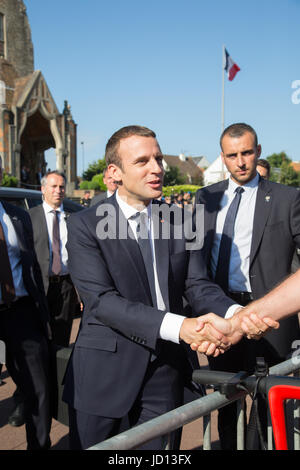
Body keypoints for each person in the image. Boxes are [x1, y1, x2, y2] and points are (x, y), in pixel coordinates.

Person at [62, 125, 241, 450]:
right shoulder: (83, 225)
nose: (157, 168)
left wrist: (236, 314)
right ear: (115, 172)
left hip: (166, 370)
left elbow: (197, 284)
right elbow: (101, 302)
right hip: (104, 375)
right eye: (143, 161)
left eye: (158, 158)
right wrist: (180, 326)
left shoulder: (183, 220)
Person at [194, 122, 300, 449]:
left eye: (247, 153)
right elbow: (194, 262)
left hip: (271, 316)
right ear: (222, 157)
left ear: (258, 152)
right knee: (227, 401)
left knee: (272, 402)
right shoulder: (205, 198)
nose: (240, 161)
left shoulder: (287, 198)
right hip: (223, 312)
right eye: (232, 155)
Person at [0, 156, 52, 449]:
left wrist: (39, 312)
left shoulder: (17, 215)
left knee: (38, 388)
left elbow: (31, 267)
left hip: (20, 312)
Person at [29, 171, 79, 347]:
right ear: (43, 189)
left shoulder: (74, 219)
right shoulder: (29, 217)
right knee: (39, 338)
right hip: (40, 287)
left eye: (62, 187)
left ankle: (59, 374)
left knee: (61, 338)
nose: (58, 190)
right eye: (54, 186)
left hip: (66, 288)